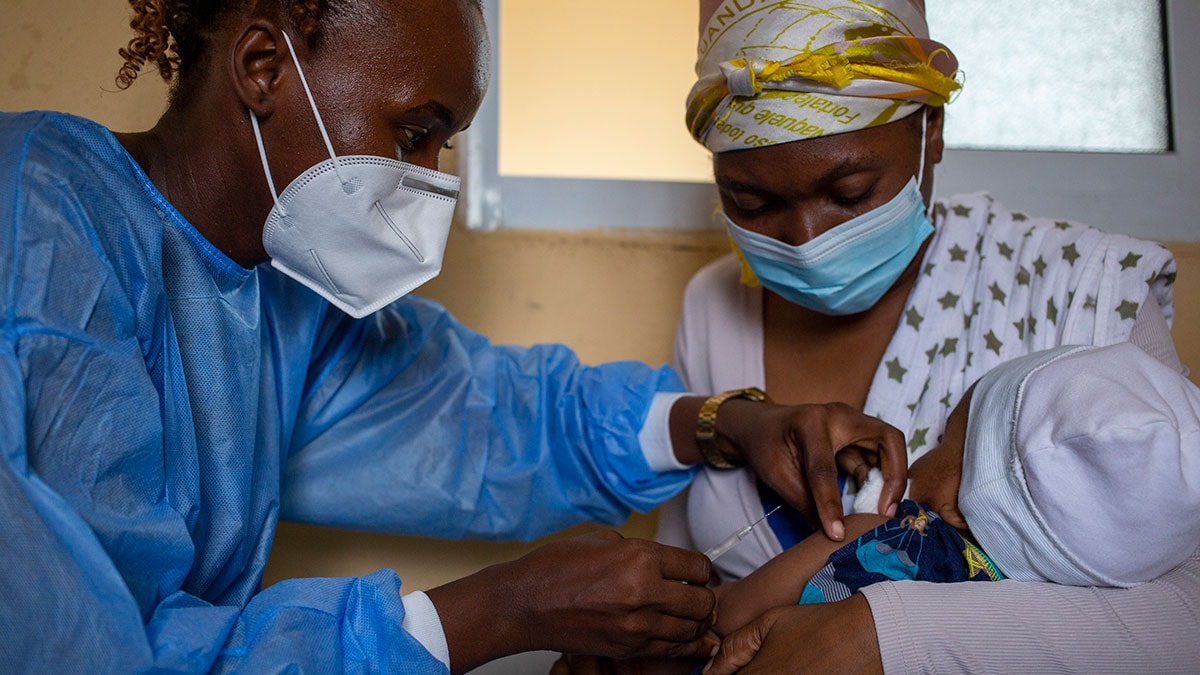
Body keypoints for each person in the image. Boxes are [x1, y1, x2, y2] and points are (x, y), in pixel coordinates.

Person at [0, 0, 913, 672]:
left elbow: (488, 420)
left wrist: (720, 422)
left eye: (448, 143)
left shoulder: (279, 297)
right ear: (263, 68)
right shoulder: (36, 230)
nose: (430, 183)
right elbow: (91, 647)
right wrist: (503, 609)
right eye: (415, 130)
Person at [664, 0, 1200, 672]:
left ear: (932, 131)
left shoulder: (1080, 286)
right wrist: (641, 641)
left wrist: (880, 637)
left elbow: (1187, 616)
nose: (806, 238)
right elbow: (684, 572)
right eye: (753, 203)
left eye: (851, 191)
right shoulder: (713, 306)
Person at [713, 342, 1200, 638]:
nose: (926, 445)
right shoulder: (1019, 623)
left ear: (959, 510)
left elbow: (724, 617)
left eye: (947, 439)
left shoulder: (885, 537)